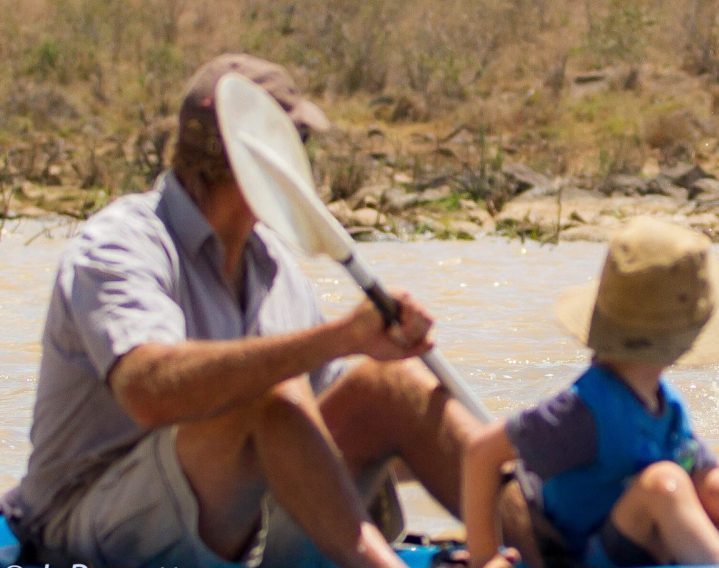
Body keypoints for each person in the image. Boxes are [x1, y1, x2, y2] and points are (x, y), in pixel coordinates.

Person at [0, 54, 534, 568]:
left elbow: (314, 435)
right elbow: (148, 389)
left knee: (390, 386)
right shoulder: (120, 245)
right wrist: (339, 337)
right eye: (297, 145)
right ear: (253, 158)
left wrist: (448, 441)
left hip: (234, 511)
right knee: (272, 393)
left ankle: (549, 547)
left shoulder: (271, 263)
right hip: (80, 526)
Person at [463, 218, 719, 568]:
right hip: (588, 555)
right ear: (688, 334)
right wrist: (484, 558)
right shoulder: (580, 410)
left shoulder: (665, 405)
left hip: (646, 542)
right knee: (665, 481)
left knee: (717, 478)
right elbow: (482, 451)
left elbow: (717, 478)